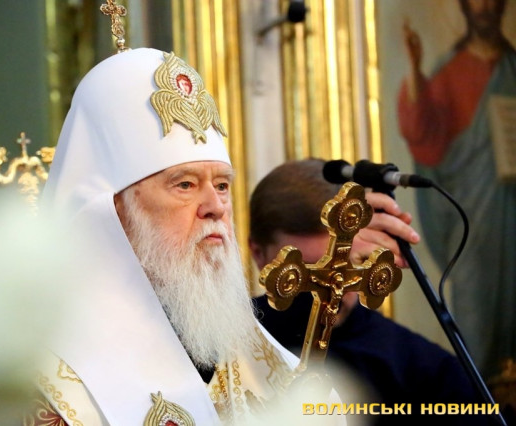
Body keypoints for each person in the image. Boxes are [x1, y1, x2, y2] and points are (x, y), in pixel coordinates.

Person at [26, 43, 352, 423]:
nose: (216, 206)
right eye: (185, 185)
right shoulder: (45, 378)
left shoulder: (270, 366)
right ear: (116, 211)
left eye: (222, 185)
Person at [249, 159, 489, 425]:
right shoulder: (227, 349)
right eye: (310, 273)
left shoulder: (426, 371)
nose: (332, 291)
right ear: (259, 254)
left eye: (346, 265)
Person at [397, 0, 516, 378]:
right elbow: (423, 134)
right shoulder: (451, 72)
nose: (485, 7)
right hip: (474, 225)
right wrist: (415, 70)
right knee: (476, 322)